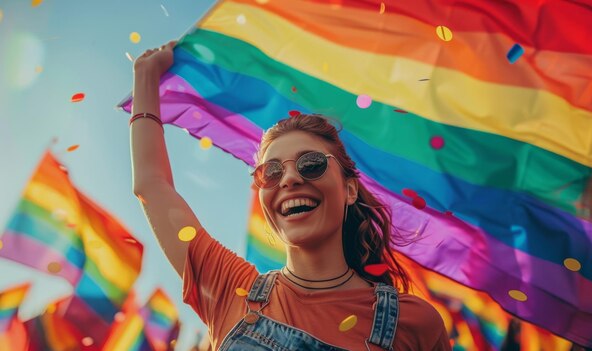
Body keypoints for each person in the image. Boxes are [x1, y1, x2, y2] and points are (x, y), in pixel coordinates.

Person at [130, 41, 451, 351]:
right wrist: (146, 76)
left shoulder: (416, 323)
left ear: (349, 189)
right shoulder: (230, 288)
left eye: (311, 164)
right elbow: (152, 186)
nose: (290, 179)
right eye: (270, 172)